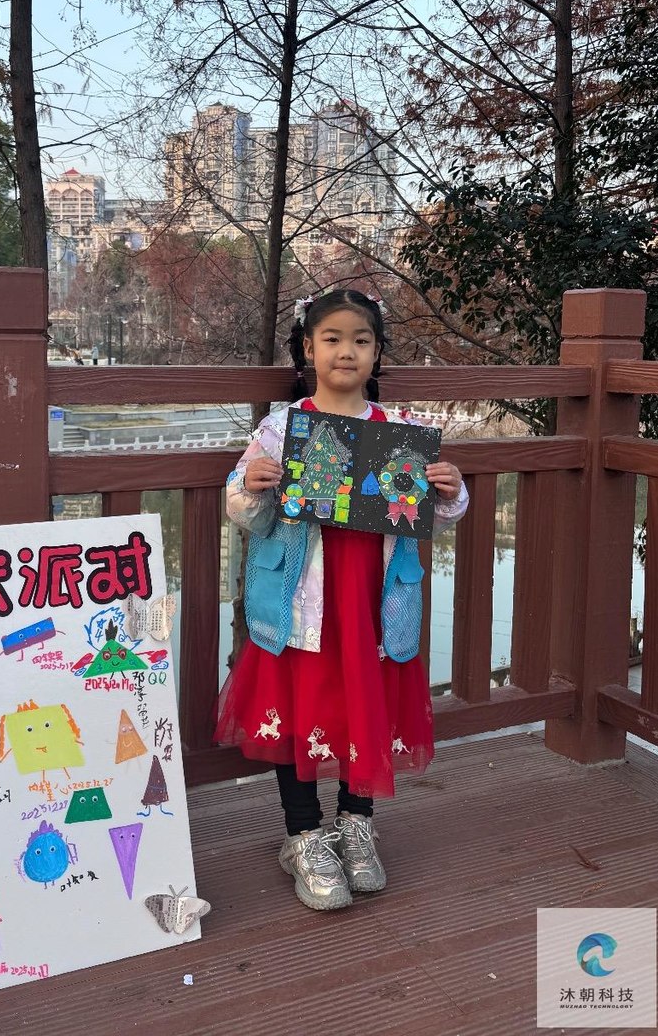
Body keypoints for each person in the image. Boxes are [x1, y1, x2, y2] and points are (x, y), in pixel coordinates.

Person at [215, 288, 468, 912]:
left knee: (366, 703)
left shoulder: (400, 431)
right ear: (308, 348)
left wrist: (449, 491)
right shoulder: (281, 429)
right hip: (303, 598)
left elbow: (436, 515)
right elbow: (243, 509)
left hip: (373, 600)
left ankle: (356, 825)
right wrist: (252, 484)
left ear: (378, 352)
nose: (346, 351)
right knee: (296, 707)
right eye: (332, 339)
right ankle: (303, 835)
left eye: (361, 340)